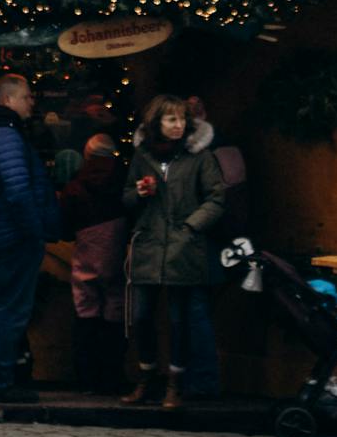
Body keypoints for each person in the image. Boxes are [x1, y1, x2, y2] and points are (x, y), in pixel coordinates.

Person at [121, 93, 226, 409]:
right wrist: (138, 193)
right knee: (141, 316)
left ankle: (174, 383)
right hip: (149, 245)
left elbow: (216, 197)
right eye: (171, 120)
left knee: (179, 320)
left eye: (182, 120)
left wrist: (191, 226)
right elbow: (125, 197)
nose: (178, 125)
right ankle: (147, 376)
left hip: (183, 248)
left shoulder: (199, 157)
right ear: (157, 123)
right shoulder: (142, 156)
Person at [0, 74, 60, 404]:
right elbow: (18, 191)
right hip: (14, 236)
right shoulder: (6, 137)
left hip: (3, 234)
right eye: (26, 97)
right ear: (9, 100)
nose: (32, 102)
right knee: (9, 309)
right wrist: (35, 230)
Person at [58, 132, 128, 395]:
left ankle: (86, 378)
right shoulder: (125, 182)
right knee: (115, 313)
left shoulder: (76, 186)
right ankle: (112, 377)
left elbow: (64, 227)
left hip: (86, 258)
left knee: (86, 312)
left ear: (87, 156)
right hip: (117, 258)